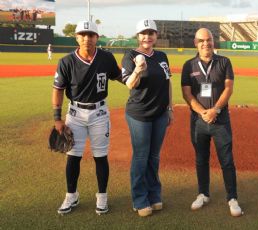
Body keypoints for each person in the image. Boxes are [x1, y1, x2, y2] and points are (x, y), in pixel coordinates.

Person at [52, 21, 122, 215]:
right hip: (75, 114)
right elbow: (57, 90)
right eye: (82, 35)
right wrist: (58, 119)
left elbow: (121, 77)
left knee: (100, 156)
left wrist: (138, 76)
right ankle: (71, 195)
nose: (86, 39)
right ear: (76, 38)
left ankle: (102, 197)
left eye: (91, 35)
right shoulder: (66, 61)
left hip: (99, 113)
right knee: (73, 157)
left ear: (97, 38)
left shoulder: (106, 58)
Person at [181, 28, 243, 217]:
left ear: (213, 41)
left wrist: (215, 110)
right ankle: (203, 193)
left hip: (220, 119)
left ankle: (232, 198)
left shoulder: (224, 62)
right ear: (195, 43)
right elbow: (187, 93)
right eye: (201, 40)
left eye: (208, 40)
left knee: (227, 160)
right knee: (201, 159)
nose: (205, 43)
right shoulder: (188, 65)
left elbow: (228, 89)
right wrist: (202, 112)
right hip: (198, 121)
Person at [121, 19, 173, 217]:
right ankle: (139, 199)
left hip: (160, 113)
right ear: (138, 36)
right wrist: (137, 69)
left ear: (156, 36)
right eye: (143, 33)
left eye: (151, 33)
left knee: (154, 156)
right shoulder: (131, 55)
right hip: (139, 114)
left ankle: (154, 194)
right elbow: (129, 84)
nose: (147, 36)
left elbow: (168, 83)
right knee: (141, 156)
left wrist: (170, 108)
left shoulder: (162, 56)